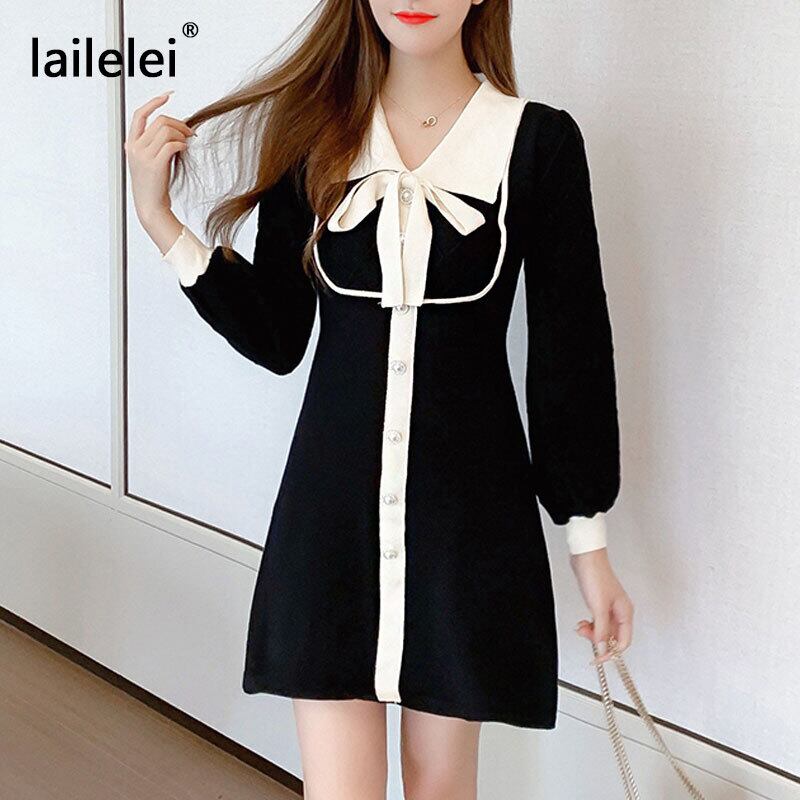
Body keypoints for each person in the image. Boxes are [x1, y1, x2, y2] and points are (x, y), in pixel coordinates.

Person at [125, 1, 634, 797]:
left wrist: (588, 543)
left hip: (467, 527)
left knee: (441, 786)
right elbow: (277, 335)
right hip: (329, 523)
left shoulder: (538, 143)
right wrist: (160, 219)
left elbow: (571, 350)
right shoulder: (313, 134)